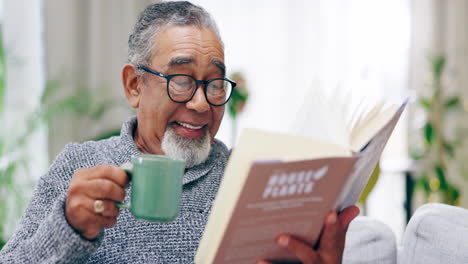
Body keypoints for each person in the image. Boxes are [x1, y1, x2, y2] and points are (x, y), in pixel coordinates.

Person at [0, 1, 359, 263]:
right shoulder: (79, 166)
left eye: (214, 83)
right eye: (182, 80)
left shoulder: (252, 181)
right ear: (134, 86)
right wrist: (69, 228)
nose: (202, 104)